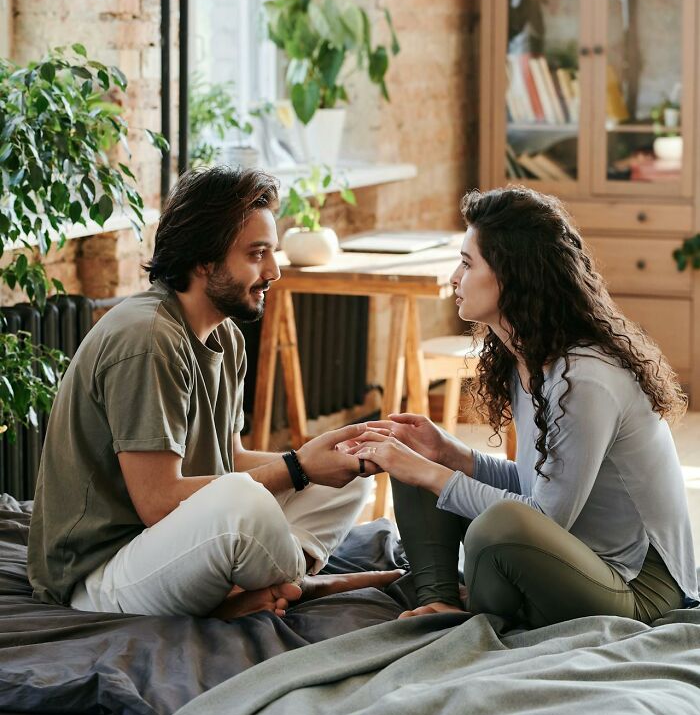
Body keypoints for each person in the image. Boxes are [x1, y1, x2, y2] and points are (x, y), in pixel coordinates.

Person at [28, 166, 395, 620]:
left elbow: (229, 458)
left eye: (272, 253)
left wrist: (319, 458)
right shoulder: (147, 338)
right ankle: (302, 583)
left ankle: (272, 586)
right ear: (204, 260)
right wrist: (297, 467)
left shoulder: (226, 337)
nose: (274, 271)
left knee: (344, 475)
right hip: (99, 575)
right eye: (257, 254)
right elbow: (159, 502)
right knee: (245, 501)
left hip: (170, 546)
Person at [349, 186, 698, 628]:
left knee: (494, 525)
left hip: (637, 588)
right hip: (574, 557)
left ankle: (478, 599)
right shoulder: (528, 358)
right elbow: (542, 488)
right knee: (413, 455)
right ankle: (439, 600)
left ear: (512, 275)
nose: (455, 278)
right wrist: (447, 456)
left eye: (467, 263)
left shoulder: (584, 378)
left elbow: (543, 518)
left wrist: (434, 474)